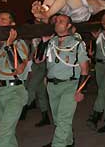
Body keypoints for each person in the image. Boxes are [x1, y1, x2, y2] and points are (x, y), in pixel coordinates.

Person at [38, 14, 89, 147]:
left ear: (68, 26)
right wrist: (43, 43)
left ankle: (58, 144)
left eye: (61, 21)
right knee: (58, 120)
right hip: (52, 86)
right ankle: (69, 142)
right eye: (56, 21)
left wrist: (80, 90)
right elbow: (38, 60)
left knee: (63, 120)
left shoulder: (76, 43)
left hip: (70, 86)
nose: (57, 23)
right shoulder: (51, 42)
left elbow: (84, 68)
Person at [0, 11, 29, 147]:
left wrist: (10, 46)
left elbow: (19, 69)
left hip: (15, 92)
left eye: (3, 19)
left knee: (3, 132)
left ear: (12, 24)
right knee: (8, 134)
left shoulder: (19, 43)